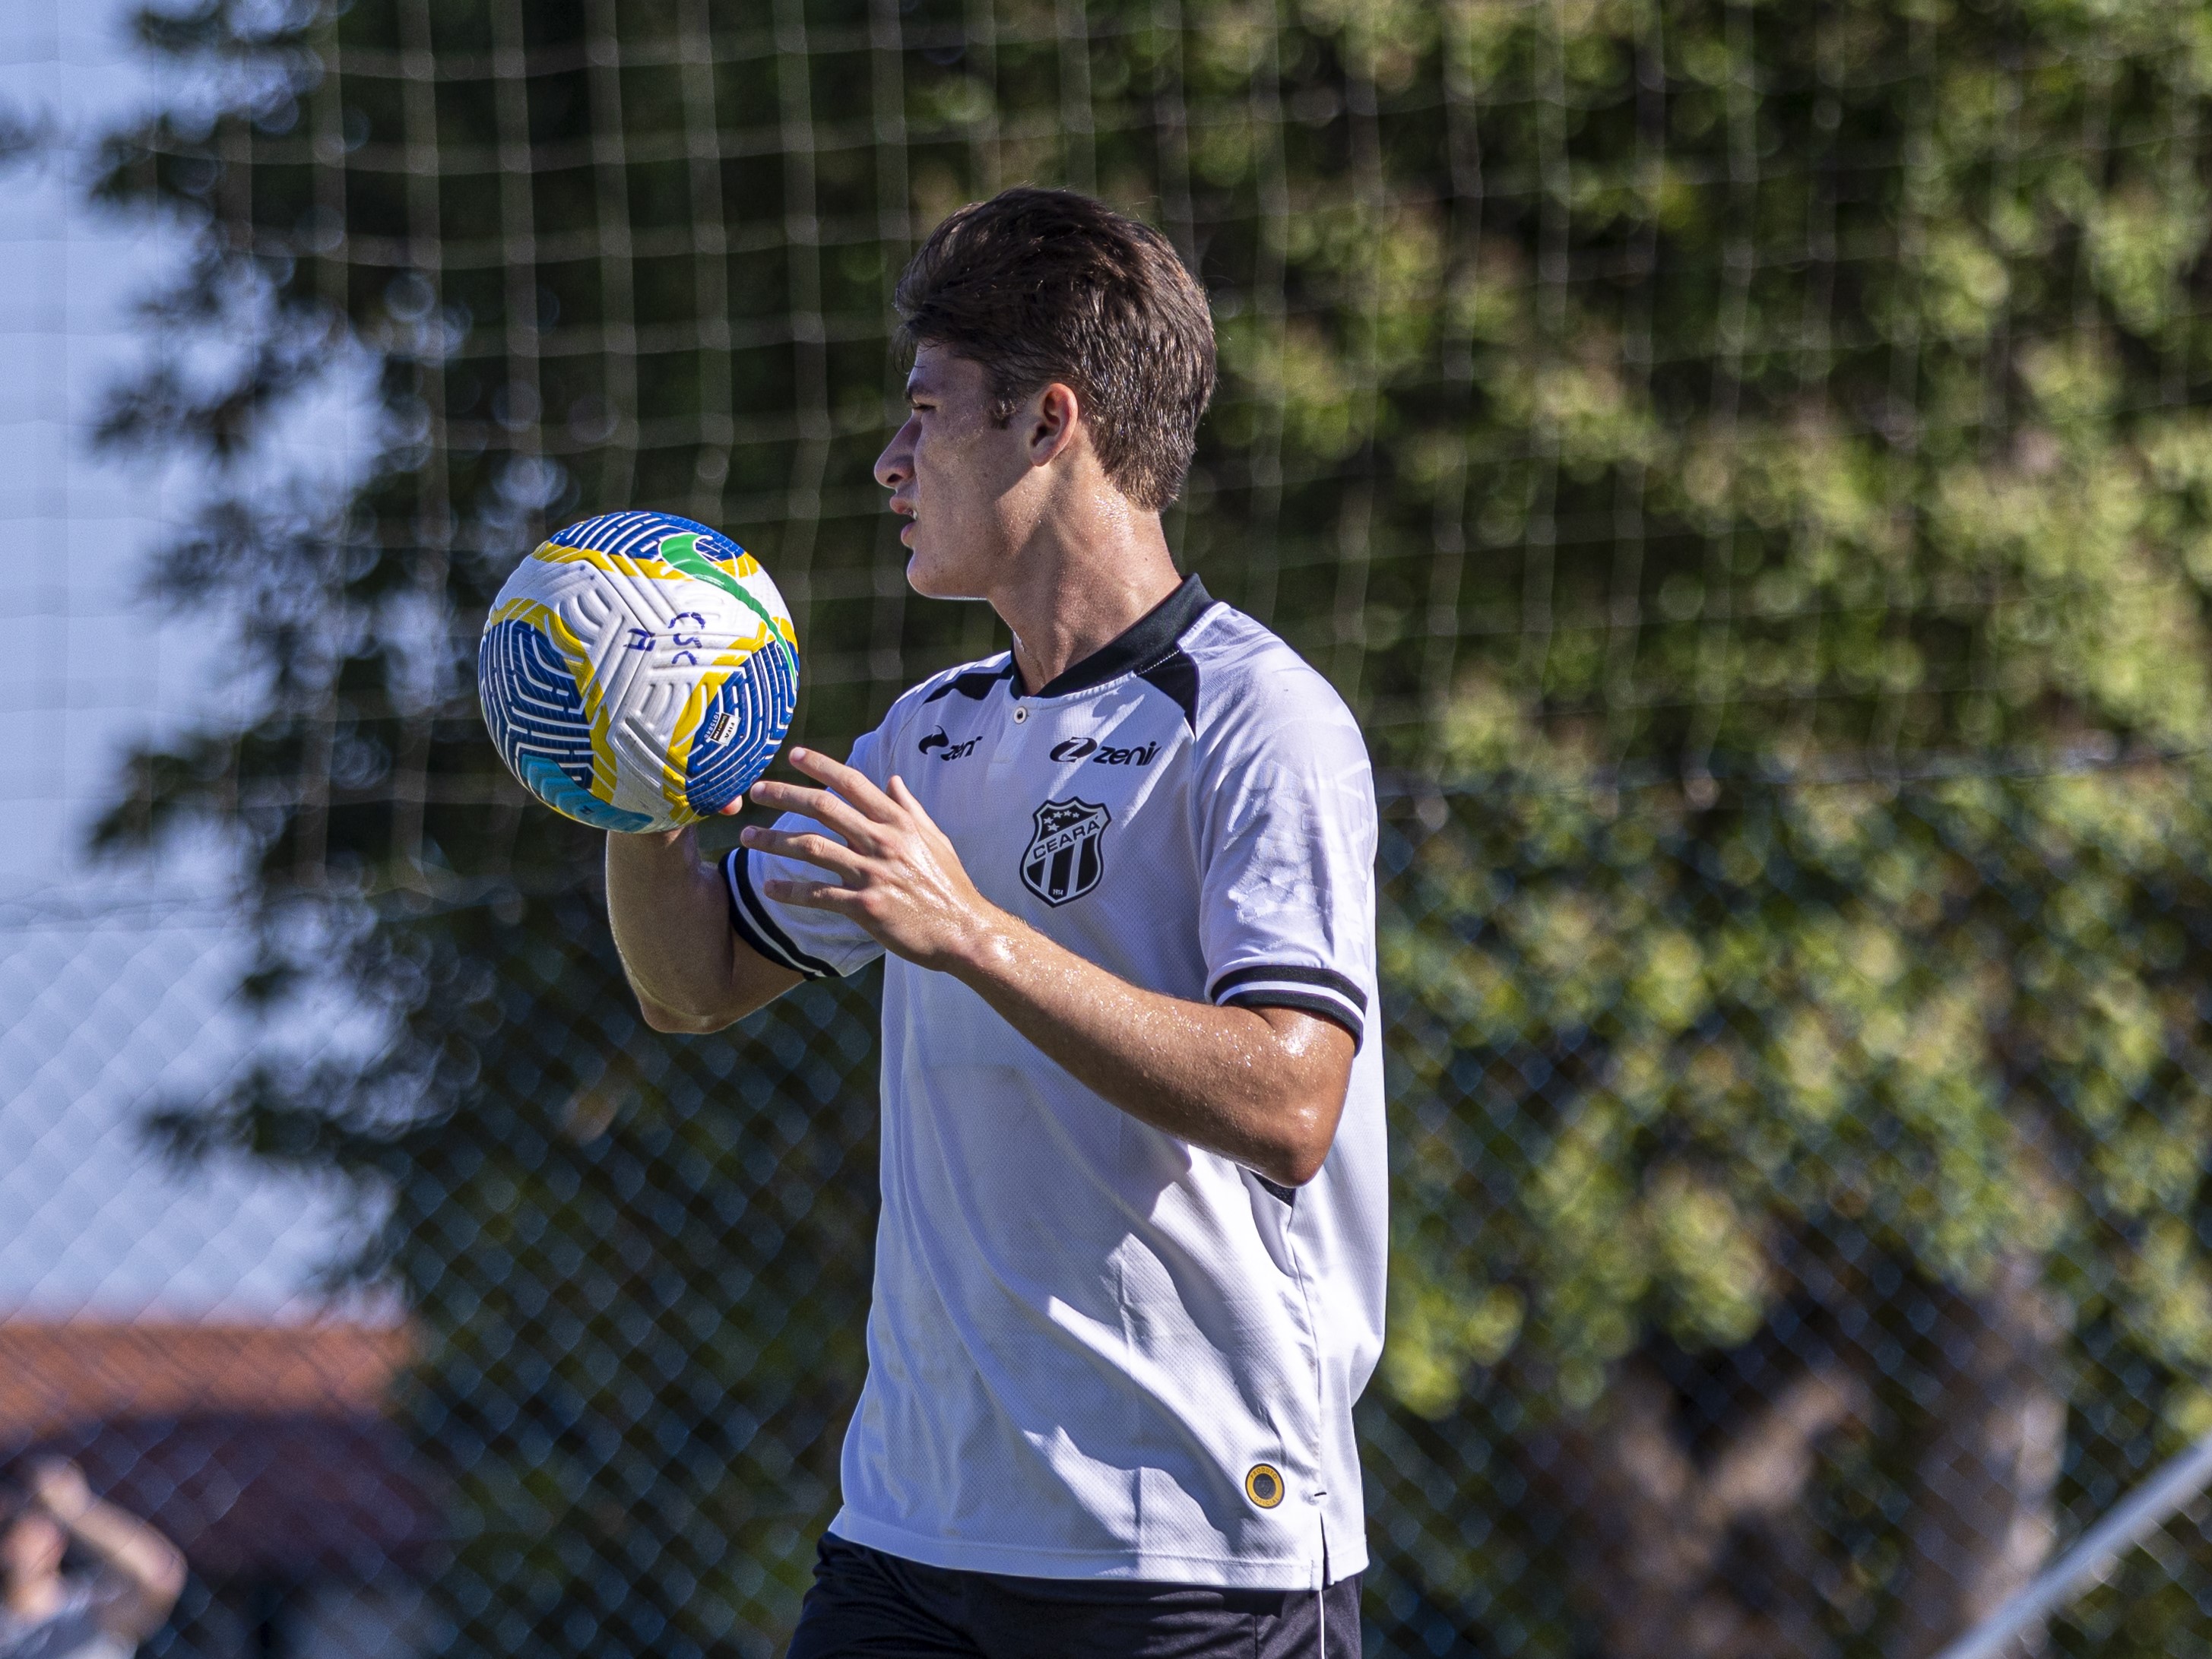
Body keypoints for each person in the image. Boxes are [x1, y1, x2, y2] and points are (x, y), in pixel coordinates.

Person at [607, 186, 1383, 1659]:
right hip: (912, 1534)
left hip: (1192, 1542)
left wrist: (971, 931)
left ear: (1050, 421)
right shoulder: (928, 735)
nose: (889, 461)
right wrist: (635, 788)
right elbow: (690, 984)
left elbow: (1291, 1097)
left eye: (925, 413)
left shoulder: (1258, 721)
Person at [0, 1459, 185, 1659]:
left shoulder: (91, 1610)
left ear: (52, 1536)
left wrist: (76, 1509)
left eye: (9, 1526)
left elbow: (161, 1575)